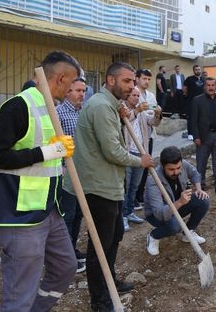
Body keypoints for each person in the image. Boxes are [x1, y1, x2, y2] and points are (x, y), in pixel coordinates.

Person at [0, 51, 80, 311]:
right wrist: (46, 152)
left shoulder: (49, 107)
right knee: (20, 291)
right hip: (20, 213)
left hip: (48, 209)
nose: (72, 91)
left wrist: (56, 158)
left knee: (66, 267)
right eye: (71, 84)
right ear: (61, 78)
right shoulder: (19, 106)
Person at [73, 62, 154, 311]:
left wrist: (122, 117)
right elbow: (112, 151)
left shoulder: (110, 105)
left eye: (133, 81)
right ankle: (99, 299)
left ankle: (110, 282)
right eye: (127, 81)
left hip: (111, 183)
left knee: (115, 235)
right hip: (99, 186)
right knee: (100, 244)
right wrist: (140, 160)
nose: (132, 86)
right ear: (110, 80)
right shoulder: (100, 106)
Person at [144, 146, 210, 256]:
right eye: (171, 169)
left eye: (178, 168)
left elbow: (194, 174)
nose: (176, 172)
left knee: (203, 199)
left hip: (177, 205)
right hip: (156, 215)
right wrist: (180, 202)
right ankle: (154, 235)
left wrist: (198, 189)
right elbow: (160, 214)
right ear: (162, 165)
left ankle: (188, 233)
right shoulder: (153, 181)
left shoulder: (182, 164)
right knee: (175, 226)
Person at [57, 77, 88, 273]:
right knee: (67, 215)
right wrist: (61, 167)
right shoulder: (59, 113)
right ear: (67, 91)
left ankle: (71, 249)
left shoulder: (81, 113)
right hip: (67, 173)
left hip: (82, 172)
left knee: (78, 214)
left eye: (84, 91)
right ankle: (65, 258)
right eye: (78, 90)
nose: (82, 94)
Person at [122, 86, 161, 231]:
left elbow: (153, 123)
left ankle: (130, 211)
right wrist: (137, 111)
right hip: (127, 153)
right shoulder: (123, 109)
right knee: (125, 187)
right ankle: (122, 216)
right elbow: (125, 119)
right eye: (133, 95)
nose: (136, 98)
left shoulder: (142, 112)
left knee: (134, 185)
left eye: (138, 95)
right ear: (127, 95)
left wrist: (157, 114)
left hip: (140, 153)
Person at [191, 77, 216, 194]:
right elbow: (193, 120)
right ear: (204, 87)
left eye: (213, 85)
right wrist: (196, 136)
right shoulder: (197, 100)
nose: (211, 87)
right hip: (203, 137)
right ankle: (200, 186)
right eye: (208, 85)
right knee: (201, 163)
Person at [134, 68, 159, 206]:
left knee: (146, 164)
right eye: (144, 78)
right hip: (135, 136)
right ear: (137, 78)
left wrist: (157, 114)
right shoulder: (133, 93)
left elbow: (153, 112)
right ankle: (132, 197)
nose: (147, 81)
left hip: (148, 134)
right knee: (136, 165)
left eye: (149, 79)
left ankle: (139, 195)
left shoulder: (150, 95)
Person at [184, 65, 205, 140]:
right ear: (193, 70)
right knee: (191, 117)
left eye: (199, 69)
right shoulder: (189, 79)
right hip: (192, 101)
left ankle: (200, 133)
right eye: (196, 69)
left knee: (201, 117)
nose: (198, 71)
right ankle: (190, 133)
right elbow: (185, 89)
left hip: (202, 102)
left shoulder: (204, 79)